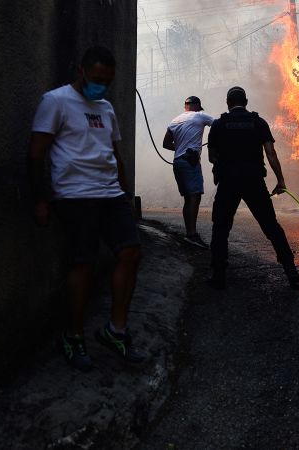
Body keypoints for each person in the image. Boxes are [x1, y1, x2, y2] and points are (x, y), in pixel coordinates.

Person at [29, 46, 146, 371]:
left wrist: (126, 195)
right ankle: (73, 336)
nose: (101, 85)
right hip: (74, 195)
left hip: (111, 194)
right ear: (81, 71)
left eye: (107, 81)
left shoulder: (106, 108)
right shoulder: (56, 101)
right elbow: (36, 154)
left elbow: (114, 155)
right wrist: (41, 199)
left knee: (131, 252)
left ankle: (116, 331)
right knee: (83, 264)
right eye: (97, 79)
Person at [207, 86, 299, 289]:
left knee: (221, 227)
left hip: (228, 182)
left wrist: (224, 160)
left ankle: (218, 274)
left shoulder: (219, 124)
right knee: (271, 226)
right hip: (254, 181)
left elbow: (211, 156)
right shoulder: (258, 122)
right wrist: (281, 180)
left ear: (228, 103)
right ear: (246, 102)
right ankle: (290, 270)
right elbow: (271, 153)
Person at [163, 96, 215, 248]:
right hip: (189, 163)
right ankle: (192, 235)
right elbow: (219, 125)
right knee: (194, 197)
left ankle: (189, 233)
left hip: (178, 163)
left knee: (188, 198)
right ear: (197, 105)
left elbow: (166, 143)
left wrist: (181, 148)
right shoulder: (200, 115)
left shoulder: (175, 120)